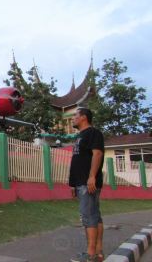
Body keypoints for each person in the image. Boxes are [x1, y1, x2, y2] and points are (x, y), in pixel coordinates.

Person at [69, 108, 105, 262]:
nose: (72, 119)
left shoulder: (93, 133)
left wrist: (92, 177)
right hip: (80, 182)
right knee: (95, 216)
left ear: (83, 117)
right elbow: (76, 161)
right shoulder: (79, 136)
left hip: (87, 182)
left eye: (75, 116)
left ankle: (90, 254)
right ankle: (98, 253)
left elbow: (97, 154)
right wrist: (72, 183)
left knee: (88, 216)